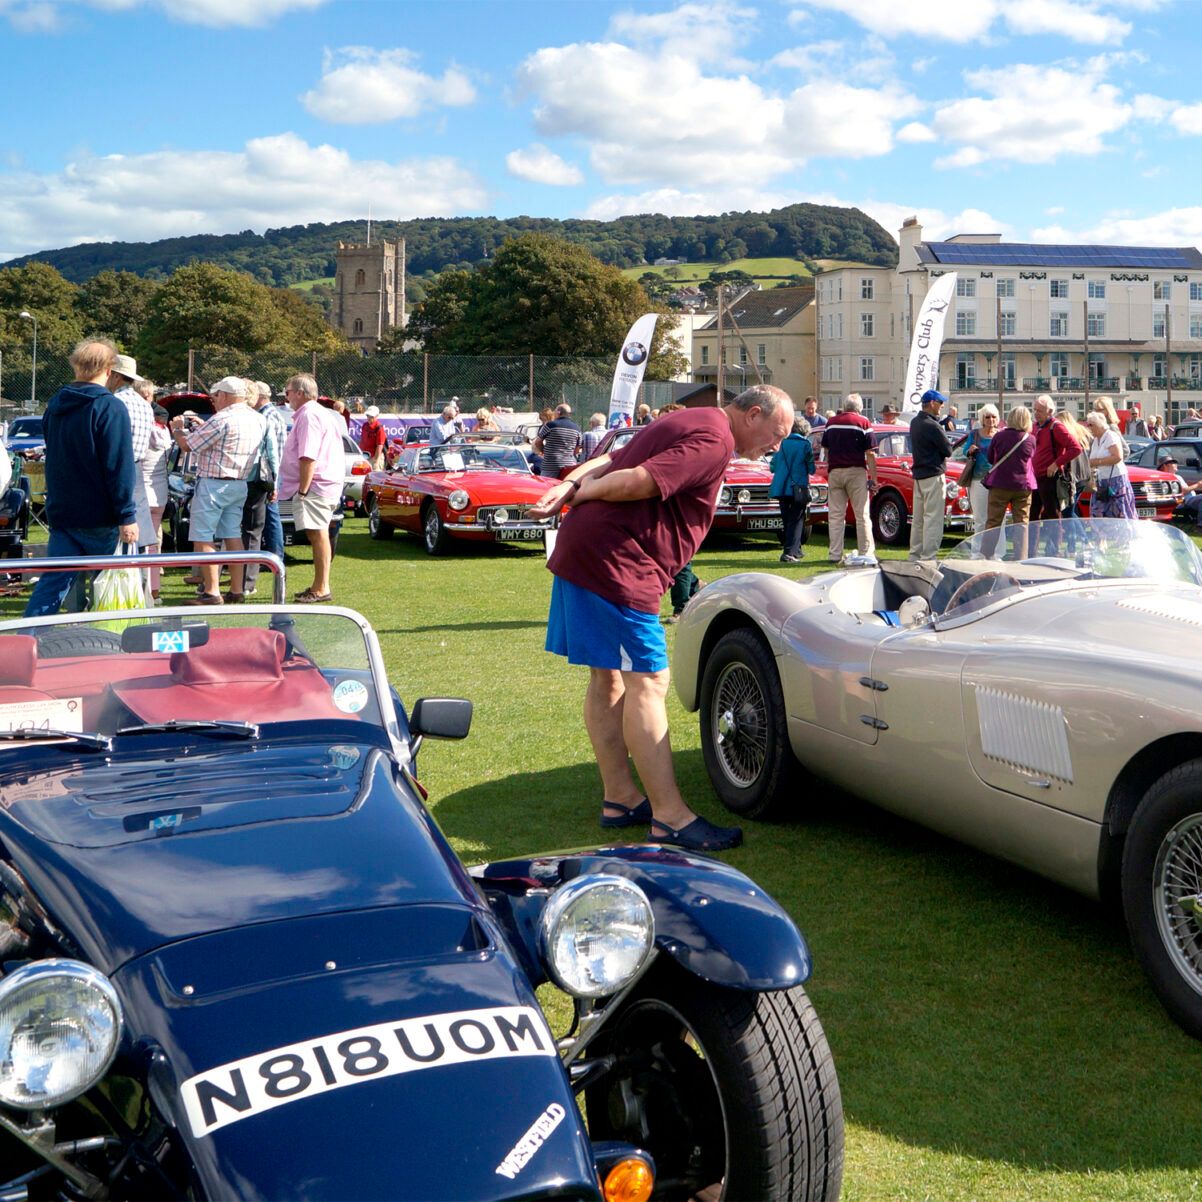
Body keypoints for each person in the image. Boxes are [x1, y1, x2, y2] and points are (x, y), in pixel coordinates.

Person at [527, 384, 795, 853]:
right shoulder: (716, 440)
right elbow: (637, 480)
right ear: (753, 414)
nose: (775, 446)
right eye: (776, 434)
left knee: (608, 678)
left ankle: (622, 799)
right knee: (648, 681)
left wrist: (571, 485)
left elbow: (610, 458)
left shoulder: (690, 419)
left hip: (589, 553)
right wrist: (582, 493)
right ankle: (670, 817)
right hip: (618, 562)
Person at [24, 338, 139, 617]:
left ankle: (27, 642)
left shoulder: (55, 405)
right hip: (100, 514)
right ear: (109, 370)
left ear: (76, 366)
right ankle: (114, 647)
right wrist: (127, 514)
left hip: (63, 510)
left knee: (52, 585)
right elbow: (119, 465)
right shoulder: (109, 407)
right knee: (112, 587)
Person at [170, 376, 265, 605]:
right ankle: (236, 589)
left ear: (224, 395)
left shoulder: (222, 418)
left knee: (203, 536)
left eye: (215, 396)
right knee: (233, 534)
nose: (214, 400)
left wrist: (178, 430)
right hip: (240, 482)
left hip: (214, 482)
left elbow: (188, 445)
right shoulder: (257, 418)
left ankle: (212, 591)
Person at [278, 372, 344, 603]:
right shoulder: (319, 413)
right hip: (320, 484)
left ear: (299, 393)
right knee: (318, 533)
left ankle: (321, 587)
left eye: (287, 393)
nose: (286, 398)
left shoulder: (309, 415)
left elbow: (308, 456)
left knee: (317, 534)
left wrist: (303, 490)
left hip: (315, 486)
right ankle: (320, 585)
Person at [241, 381, 287, 598]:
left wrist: (274, 481)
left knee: (265, 521)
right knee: (266, 521)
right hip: (269, 475)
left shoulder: (264, 417)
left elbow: (267, 450)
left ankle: (274, 558)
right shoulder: (275, 414)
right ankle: (273, 559)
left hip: (262, 475)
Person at [109, 353, 156, 553]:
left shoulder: (114, 402)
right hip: (138, 468)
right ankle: (143, 581)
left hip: (117, 469)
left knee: (114, 531)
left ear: (116, 376)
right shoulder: (145, 405)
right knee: (140, 531)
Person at [823, 393, 877, 562]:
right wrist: (873, 478)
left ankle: (835, 554)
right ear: (859, 408)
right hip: (856, 471)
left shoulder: (831, 423)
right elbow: (870, 453)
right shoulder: (863, 423)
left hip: (835, 471)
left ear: (845, 406)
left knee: (836, 515)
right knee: (862, 515)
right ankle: (866, 553)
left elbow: (826, 448)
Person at [909, 389, 954, 560]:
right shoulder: (933, 425)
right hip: (933, 475)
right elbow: (948, 450)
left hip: (919, 475)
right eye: (940, 403)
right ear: (933, 403)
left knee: (918, 520)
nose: (942, 406)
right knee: (933, 520)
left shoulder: (915, 422)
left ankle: (915, 555)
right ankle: (928, 557)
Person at [138, 384, 171, 602]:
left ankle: (141, 592)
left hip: (141, 491)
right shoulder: (164, 432)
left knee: (135, 545)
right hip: (159, 492)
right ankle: (154, 592)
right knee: (152, 545)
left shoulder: (139, 429)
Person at [984, 404, 1036, 534]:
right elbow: (1031, 459)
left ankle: (987, 554)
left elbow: (990, 458)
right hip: (1023, 484)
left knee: (993, 522)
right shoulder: (1030, 439)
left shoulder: (999, 436)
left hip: (999, 483)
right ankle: (1021, 554)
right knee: (1022, 522)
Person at [770, 413, 815, 563]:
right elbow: (811, 468)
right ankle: (789, 552)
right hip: (798, 487)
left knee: (787, 519)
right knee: (797, 519)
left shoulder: (781, 443)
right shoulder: (805, 445)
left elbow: (773, 466)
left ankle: (796, 550)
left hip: (781, 487)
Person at [1029, 394, 1081, 523]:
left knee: (1051, 514)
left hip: (1050, 478)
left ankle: (1054, 543)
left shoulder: (1056, 426)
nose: (1036, 413)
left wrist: (1055, 464)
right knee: (1032, 514)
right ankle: (1031, 543)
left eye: (1040, 411)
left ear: (1050, 412)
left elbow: (1076, 448)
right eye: (1035, 410)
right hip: (1035, 477)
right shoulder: (1035, 426)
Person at [1086, 411, 1137, 518]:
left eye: (1091, 425)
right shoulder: (1095, 440)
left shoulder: (1110, 436)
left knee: (1119, 514)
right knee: (1099, 513)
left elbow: (1118, 457)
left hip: (1115, 481)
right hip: (1101, 482)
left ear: (1099, 425)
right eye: (1088, 424)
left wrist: (1096, 462)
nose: (1089, 427)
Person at [959, 404, 998, 532]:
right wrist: (970, 451)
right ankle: (977, 551)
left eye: (993, 417)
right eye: (987, 417)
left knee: (998, 519)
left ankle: (999, 552)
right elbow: (964, 451)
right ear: (982, 419)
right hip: (978, 480)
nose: (991, 420)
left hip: (997, 481)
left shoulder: (1000, 435)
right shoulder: (975, 434)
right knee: (980, 519)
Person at [534, 403, 582, 477]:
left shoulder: (550, 425)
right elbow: (577, 450)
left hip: (550, 465)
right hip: (569, 466)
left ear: (558, 412)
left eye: (554, 412)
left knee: (548, 486)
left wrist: (543, 451)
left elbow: (537, 442)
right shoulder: (577, 428)